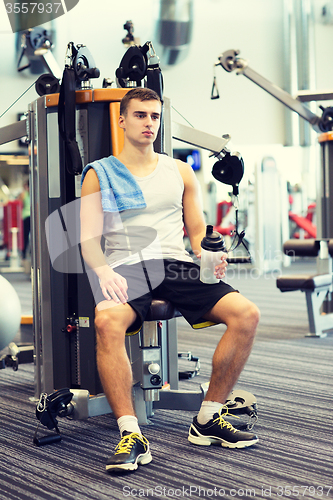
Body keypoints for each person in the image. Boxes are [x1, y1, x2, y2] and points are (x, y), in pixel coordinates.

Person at [80, 88, 260, 473]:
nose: (149, 123)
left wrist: (209, 254)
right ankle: (131, 433)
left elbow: (195, 230)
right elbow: (87, 240)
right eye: (141, 115)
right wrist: (104, 271)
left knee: (246, 314)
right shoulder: (100, 173)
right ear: (122, 120)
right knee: (106, 321)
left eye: (155, 117)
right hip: (127, 265)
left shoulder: (178, 169)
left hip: (175, 264)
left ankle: (208, 418)